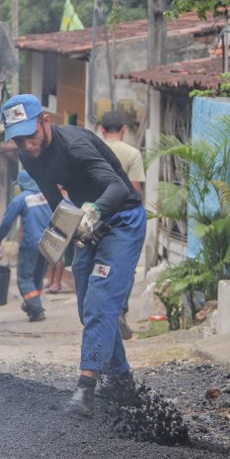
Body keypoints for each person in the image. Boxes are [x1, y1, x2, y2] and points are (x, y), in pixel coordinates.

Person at [0, 94, 145, 417]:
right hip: (88, 225)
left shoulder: (76, 146)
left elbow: (121, 190)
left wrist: (94, 210)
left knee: (101, 301)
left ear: (45, 121)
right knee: (86, 307)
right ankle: (122, 381)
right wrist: (65, 233)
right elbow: (56, 200)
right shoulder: (30, 156)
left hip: (122, 220)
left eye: (30, 135)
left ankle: (85, 390)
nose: (26, 145)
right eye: (18, 140)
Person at [100, 110, 145, 340]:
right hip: (126, 217)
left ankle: (104, 312)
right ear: (124, 130)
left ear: (102, 130)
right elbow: (135, 190)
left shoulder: (94, 149)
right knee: (126, 267)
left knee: (102, 265)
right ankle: (120, 312)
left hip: (100, 215)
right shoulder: (132, 153)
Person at [0, 170, 52, 322]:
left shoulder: (21, 199)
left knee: (25, 278)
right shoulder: (48, 195)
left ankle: (36, 309)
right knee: (38, 276)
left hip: (31, 244)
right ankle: (33, 304)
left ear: (23, 184)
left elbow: (7, 222)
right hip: (48, 244)